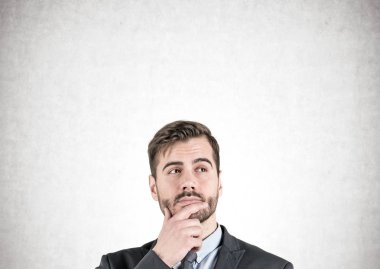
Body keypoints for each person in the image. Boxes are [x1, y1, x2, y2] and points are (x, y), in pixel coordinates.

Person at [96, 120, 293, 269]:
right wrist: (160, 260)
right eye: (174, 170)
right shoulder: (114, 265)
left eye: (201, 169)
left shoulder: (274, 268)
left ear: (219, 183)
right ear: (153, 188)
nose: (188, 182)